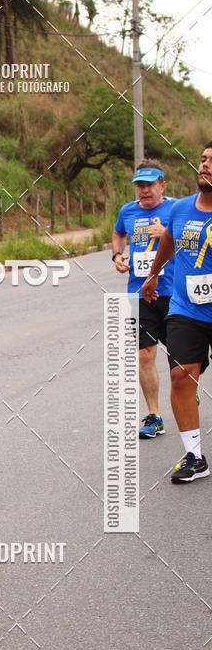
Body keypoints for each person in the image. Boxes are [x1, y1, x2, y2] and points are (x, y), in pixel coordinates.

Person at [142, 142, 212, 482]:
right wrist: (154, 274)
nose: (206, 165)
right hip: (187, 310)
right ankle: (194, 456)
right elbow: (169, 240)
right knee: (180, 375)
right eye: (203, 159)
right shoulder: (182, 208)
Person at [112, 160, 175, 438]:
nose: (145, 191)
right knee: (144, 354)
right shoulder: (127, 211)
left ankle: (188, 387)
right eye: (140, 185)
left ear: (163, 184)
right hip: (138, 294)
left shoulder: (177, 208)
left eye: (150, 185)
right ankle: (154, 416)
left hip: (174, 293)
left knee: (183, 359)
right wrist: (117, 255)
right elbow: (118, 234)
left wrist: (169, 235)